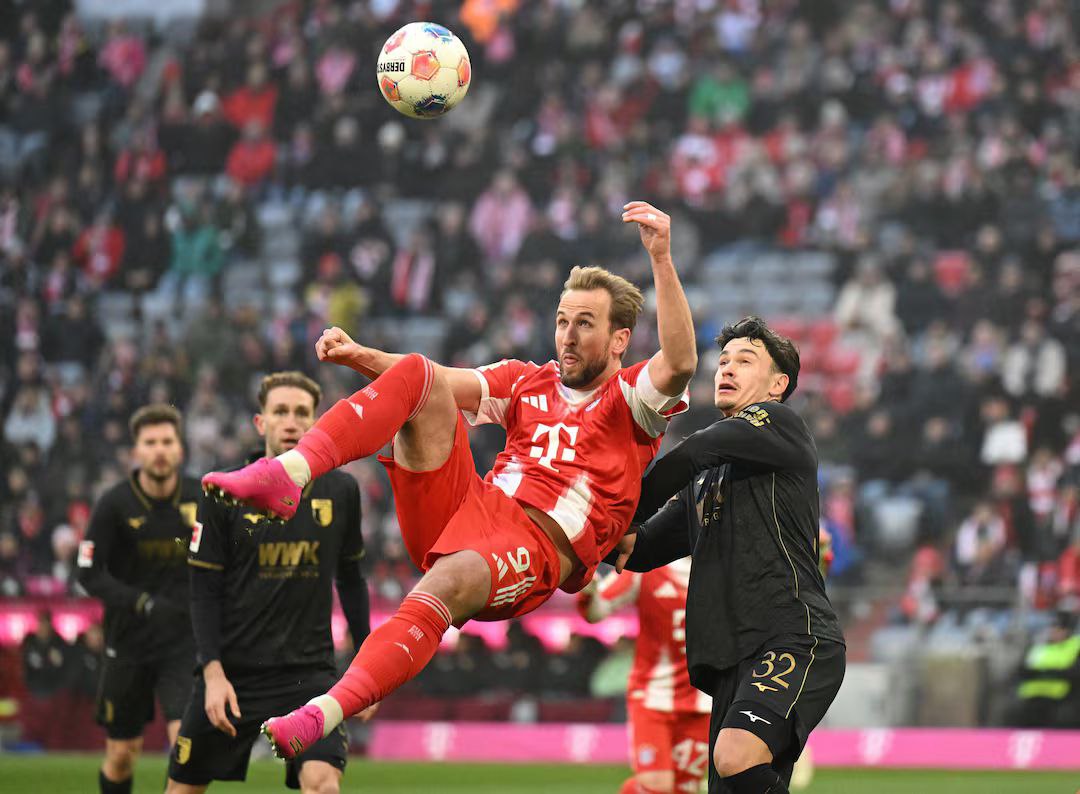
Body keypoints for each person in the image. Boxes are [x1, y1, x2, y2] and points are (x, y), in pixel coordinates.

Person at [202, 201, 698, 758]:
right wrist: (361, 355)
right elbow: (435, 383)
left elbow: (680, 361)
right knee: (420, 372)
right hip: (469, 508)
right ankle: (289, 473)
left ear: (619, 340)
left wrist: (661, 258)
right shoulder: (525, 381)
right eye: (562, 321)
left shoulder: (632, 400)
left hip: (536, 546)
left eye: (585, 324)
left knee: (443, 584)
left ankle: (323, 713)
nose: (568, 335)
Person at [614, 317, 846, 794]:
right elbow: (638, 550)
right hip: (731, 660)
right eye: (722, 361)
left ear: (777, 385)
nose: (727, 368)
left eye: (745, 360)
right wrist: (582, 528)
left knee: (735, 755)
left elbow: (698, 448)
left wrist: (627, 506)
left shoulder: (779, 423)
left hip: (792, 636)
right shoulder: (704, 481)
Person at [166, 372, 372, 793]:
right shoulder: (224, 492)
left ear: (316, 423)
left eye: (301, 413)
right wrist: (213, 673)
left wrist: (368, 668)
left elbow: (351, 580)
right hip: (233, 674)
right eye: (280, 412)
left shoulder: (342, 491)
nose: (291, 422)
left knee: (323, 785)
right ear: (261, 423)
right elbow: (203, 590)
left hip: (309, 677)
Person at [77, 404, 201, 794]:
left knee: (187, 748)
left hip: (183, 645)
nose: (159, 450)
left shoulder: (201, 497)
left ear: (180, 449)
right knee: (122, 755)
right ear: (136, 451)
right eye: (150, 442)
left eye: (166, 441)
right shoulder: (113, 504)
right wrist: (141, 602)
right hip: (128, 643)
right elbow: (88, 573)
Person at [578, 559, 711, 794]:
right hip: (653, 697)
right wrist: (587, 590)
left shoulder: (724, 567)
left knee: (684, 788)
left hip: (704, 701)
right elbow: (596, 611)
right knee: (657, 786)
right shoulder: (648, 565)